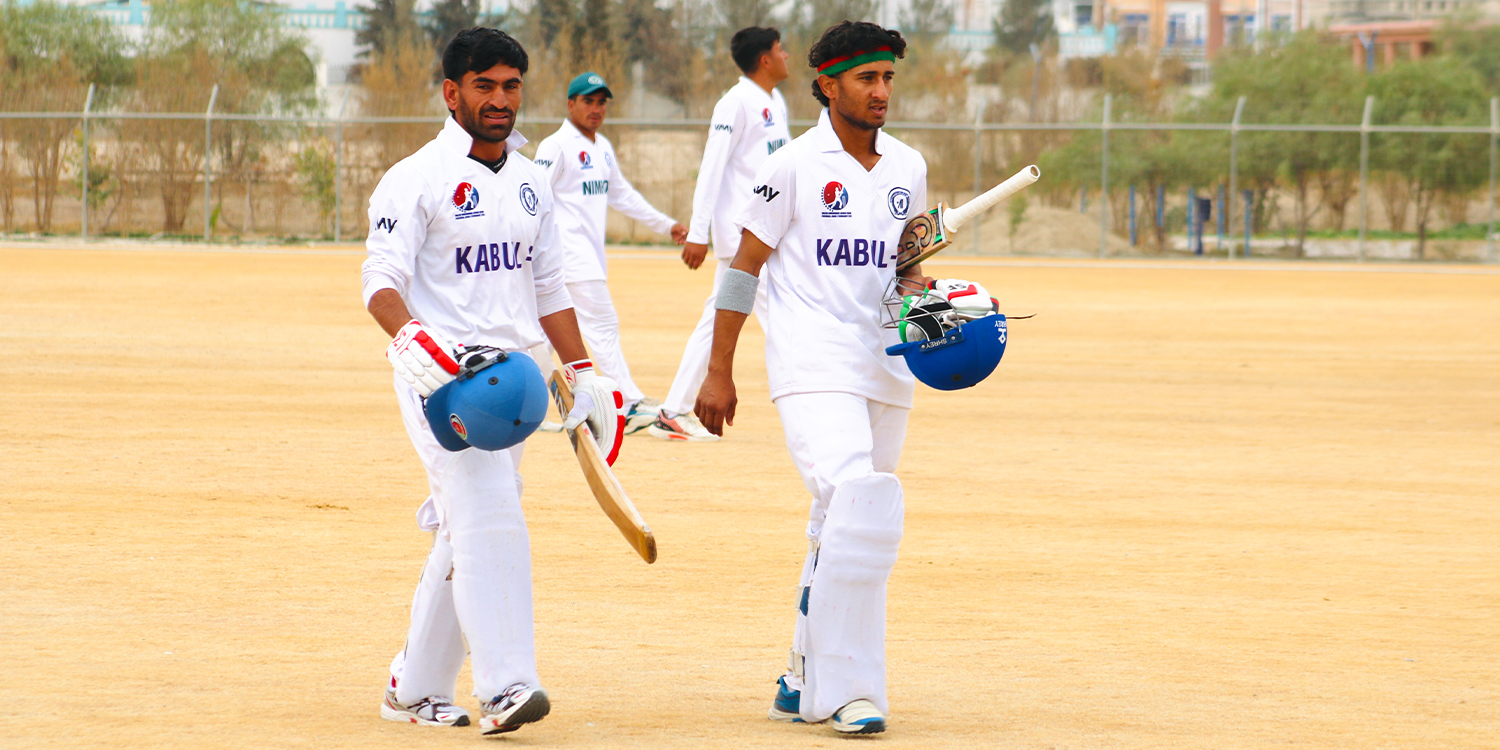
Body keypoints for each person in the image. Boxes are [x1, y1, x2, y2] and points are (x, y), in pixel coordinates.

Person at [362, 27, 625, 736]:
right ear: (452, 93)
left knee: (469, 526)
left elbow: (548, 289)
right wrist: (415, 341)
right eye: (484, 86)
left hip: (516, 384)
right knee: (490, 518)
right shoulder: (414, 177)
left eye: (511, 86)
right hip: (443, 381)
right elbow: (379, 283)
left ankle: (412, 687)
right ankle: (507, 686)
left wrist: (584, 374)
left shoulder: (536, 182)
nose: (500, 100)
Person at [693, 21, 931, 735]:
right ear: (827, 84)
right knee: (862, 499)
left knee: (843, 525)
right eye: (867, 78)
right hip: (810, 362)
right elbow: (743, 269)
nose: (881, 91)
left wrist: (934, 307)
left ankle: (799, 675)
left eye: (888, 77)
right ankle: (849, 691)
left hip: (885, 366)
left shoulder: (909, 167)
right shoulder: (789, 166)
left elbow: (908, 267)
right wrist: (717, 372)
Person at [648, 27, 792, 442]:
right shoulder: (734, 102)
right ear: (764, 59)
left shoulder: (774, 100)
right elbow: (712, 168)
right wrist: (699, 232)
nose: (787, 55)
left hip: (769, 231)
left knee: (717, 317)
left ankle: (673, 412)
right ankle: (819, 391)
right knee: (781, 317)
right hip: (741, 236)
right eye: (780, 49)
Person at [531, 72, 687, 434]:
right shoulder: (556, 146)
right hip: (568, 256)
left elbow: (622, 195)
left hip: (587, 256)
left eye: (601, 102)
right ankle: (629, 405)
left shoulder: (601, 147)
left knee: (543, 335)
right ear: (570, 104)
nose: (596, 108)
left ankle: (527, 403)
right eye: (588, 101)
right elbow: (533, 193)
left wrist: (667, 225)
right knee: (602, 325)